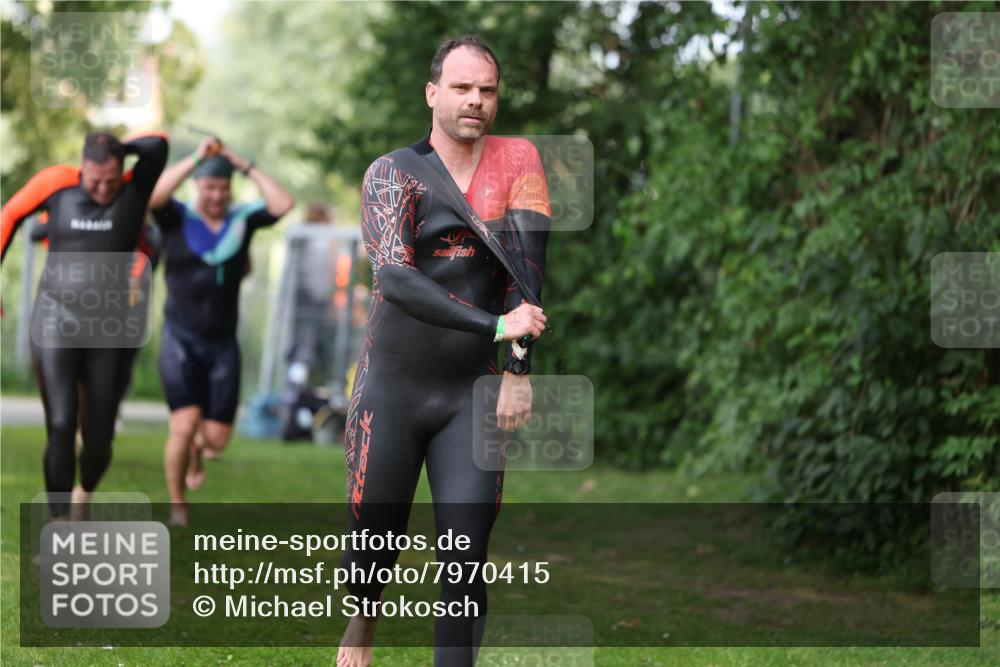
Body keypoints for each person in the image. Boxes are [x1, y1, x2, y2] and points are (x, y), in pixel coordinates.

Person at [337, 36, 550, 667]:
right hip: (392, 387)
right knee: (373, 542)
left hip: (471, 395)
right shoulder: (393, 172)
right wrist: (494, 327)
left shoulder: (520, 165)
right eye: (462, 88)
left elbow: (528, 280)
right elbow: (395, 279)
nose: (476, 101)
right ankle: (362, 619)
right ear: (434, 94)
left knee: (465, 555)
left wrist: (516, 370)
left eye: (487, 90)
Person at [0, 131, 169, 520]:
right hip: (55, 318)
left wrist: (116, 151)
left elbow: (158, 144)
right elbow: (9, 215)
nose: (103, 189)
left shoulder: (134, 189)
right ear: (83, 167)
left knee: (98, 438)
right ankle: (58, 523)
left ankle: (84, 494)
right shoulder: (57, 183)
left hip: (110, 328)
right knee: (60, 423)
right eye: (95, 180)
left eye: (111, 179)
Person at [148, 137, 294, 527]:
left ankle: (199, 449)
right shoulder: (177, 217)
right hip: (180, 339)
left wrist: (241, 163)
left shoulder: (242, 221)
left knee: (215, 440)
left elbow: (283, 204)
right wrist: (196, 157)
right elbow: (153, 196)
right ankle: (178, 504)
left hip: (222, 344)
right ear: (197, 185)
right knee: (181, 425)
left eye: (223, 188)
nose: (216, 195)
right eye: (209, 187)